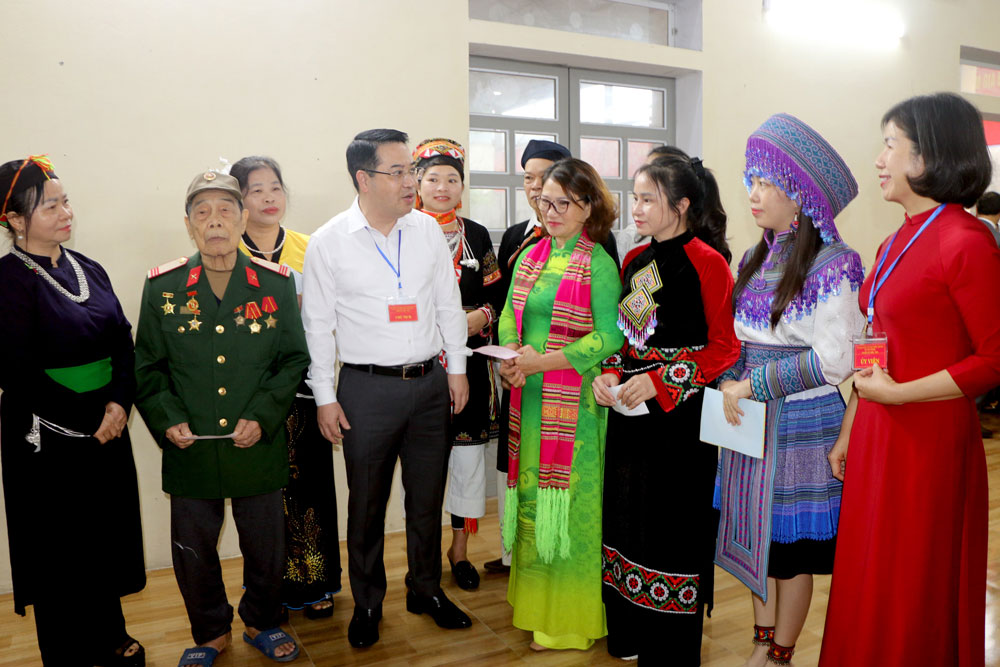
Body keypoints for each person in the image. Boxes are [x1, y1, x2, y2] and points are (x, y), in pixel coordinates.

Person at [820, 93, 1000, 667]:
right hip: (879, 431)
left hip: (928, 441)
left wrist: (896, 395)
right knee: (872, 571)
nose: (879, 158)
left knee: (911, 580)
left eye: (890, 144)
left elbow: (993, 360)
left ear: (929, 157)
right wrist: (852, 426)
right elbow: (877, 347)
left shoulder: (967, 241)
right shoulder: (895, 238)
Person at [301, 128, 472, 649]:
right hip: (365, 390)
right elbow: (316, 324)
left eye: (410, 172)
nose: (410, 182)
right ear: (363, 178)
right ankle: (369, 602)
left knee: (427, 498)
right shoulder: (330, 241)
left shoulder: (424, 231)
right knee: (367, 504)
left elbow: (447, 303)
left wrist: (458, 368)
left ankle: (425, 589)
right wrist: (326, 397)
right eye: (398, 172)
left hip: (429, 385)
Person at [134, 171, 309, 665]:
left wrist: (264, 415)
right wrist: (166, 421)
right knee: (193, 549)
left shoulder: (274, 284)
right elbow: (147, 365)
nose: (216, 222)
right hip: (190, 445)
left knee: (265, 545)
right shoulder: (163, 286)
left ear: (243, 217)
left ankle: (263, 619)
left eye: (226, 210)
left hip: (257, 440)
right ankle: (210, 631)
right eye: (203, 213)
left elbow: (293, 359)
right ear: (188, 224)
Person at [713, 114, 865, 667]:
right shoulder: (754, 257)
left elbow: (835, 360)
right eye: (751, 179)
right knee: (758, 536)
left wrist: (751, 383)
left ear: (800, 195)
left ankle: (780, 651)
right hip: (747, 414)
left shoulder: (835, 265)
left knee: (792, 551)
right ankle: (761, 637)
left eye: (766, 183)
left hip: (800, 419)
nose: (753, 194)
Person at [593, 154, 739, 664]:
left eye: (648, 198)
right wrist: (610, 373)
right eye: (635, 197)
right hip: (631, 419)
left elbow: (724, 348)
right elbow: (629, 340)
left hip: (680, 425)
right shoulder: (634, 260)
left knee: (671, 532)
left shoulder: (708, 262)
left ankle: (672, 653)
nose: (636, 208)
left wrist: (661, 382)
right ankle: (630, 636)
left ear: (681, 205)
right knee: (628, 522)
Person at [0, 156, 146, 666]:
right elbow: (16, 371)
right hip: (47, 437)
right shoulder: (8, 280)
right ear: (15, 220)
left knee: (102, 538)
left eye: (66, 201)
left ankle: (110, 632)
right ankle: (65, 650)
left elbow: (123, 343)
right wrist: (90, 418)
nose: (66, 212)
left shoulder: (89, 267)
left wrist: (118, 403)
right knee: (59, 549)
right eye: (51, 205)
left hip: (108, 425)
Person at [498, 157, 624, 651]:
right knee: (534, 503)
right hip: (529, 401)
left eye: (562, 203)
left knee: (568, 510)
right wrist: (511, 357)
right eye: (544, 201)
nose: (549, 211)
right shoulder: (531, 256)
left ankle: (569, 619)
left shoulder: (599, 263)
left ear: (587, 206)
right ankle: (535, 606)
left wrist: (541, 362)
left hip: (574, 409)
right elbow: (510, 313)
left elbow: (610, 336)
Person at [231, 156, 342, 620]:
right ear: (239, 200)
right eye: (256, 190)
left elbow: (326, 316)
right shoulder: (226, 252)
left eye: (275, 188)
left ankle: (315, 581)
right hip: (251, 394)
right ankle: (267, 588)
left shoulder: (308, 246)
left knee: (312, 487)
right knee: (263, 497)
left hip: (305, 385)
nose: (269, 198)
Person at [412, 138, 502, 590]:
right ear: (417, 183)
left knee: (467, 462)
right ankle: (421, 560)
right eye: (433, 179)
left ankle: (459, 551)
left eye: (452, 179)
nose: (442, 187)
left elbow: (497, 297)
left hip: (468, 366)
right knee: (424, 467)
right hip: (420, 368)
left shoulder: (479, 235)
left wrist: (476, 318)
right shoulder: (403, 232)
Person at [613, 144, 690, 261]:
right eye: (635, 198)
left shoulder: (703, 255)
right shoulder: (630, 244)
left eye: (647, 200)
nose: (636, 211)